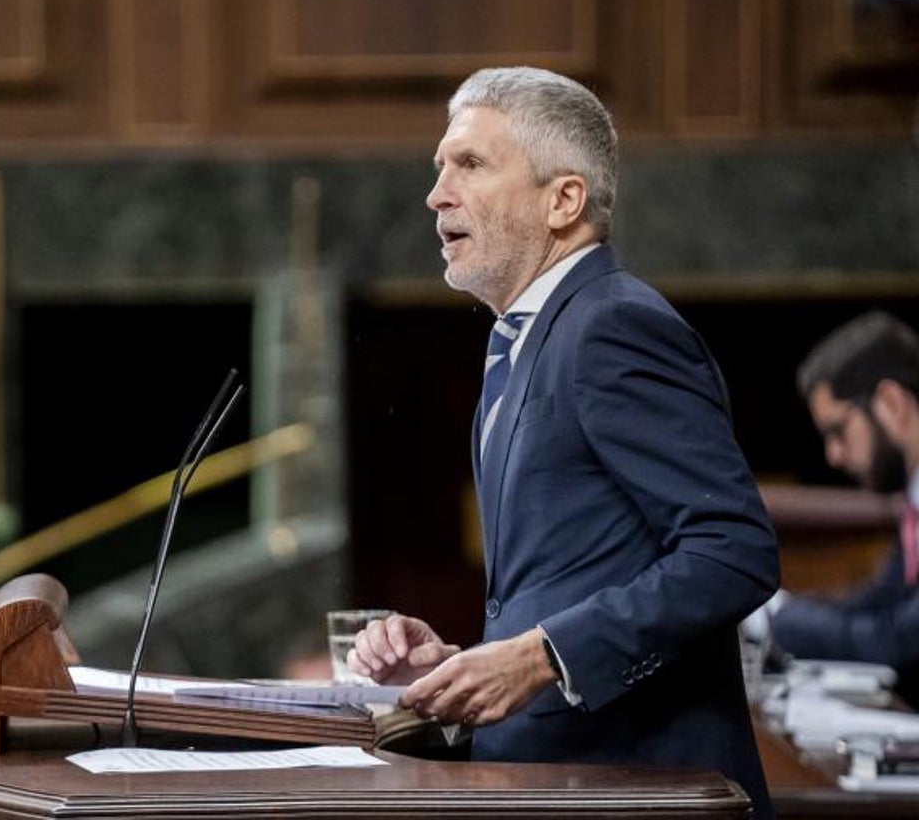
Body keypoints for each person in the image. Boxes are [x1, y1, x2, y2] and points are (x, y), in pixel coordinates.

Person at [348, 67, 780, 818]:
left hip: (646, 793)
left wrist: (541, 653)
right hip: (561, 782)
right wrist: (468, 665)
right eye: (439, 167)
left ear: (564, 200)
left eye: (470, 165)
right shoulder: (521, 343)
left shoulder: (613, 326)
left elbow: (733, 550)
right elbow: (579, 576)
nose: (436, 193)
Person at [752, 311, 919, 705]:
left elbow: (895, 640)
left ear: (891, 403)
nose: (834, 455)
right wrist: (780, 609)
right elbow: (877, 602)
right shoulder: (912, 502)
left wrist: (773, 620)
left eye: (838, 431)